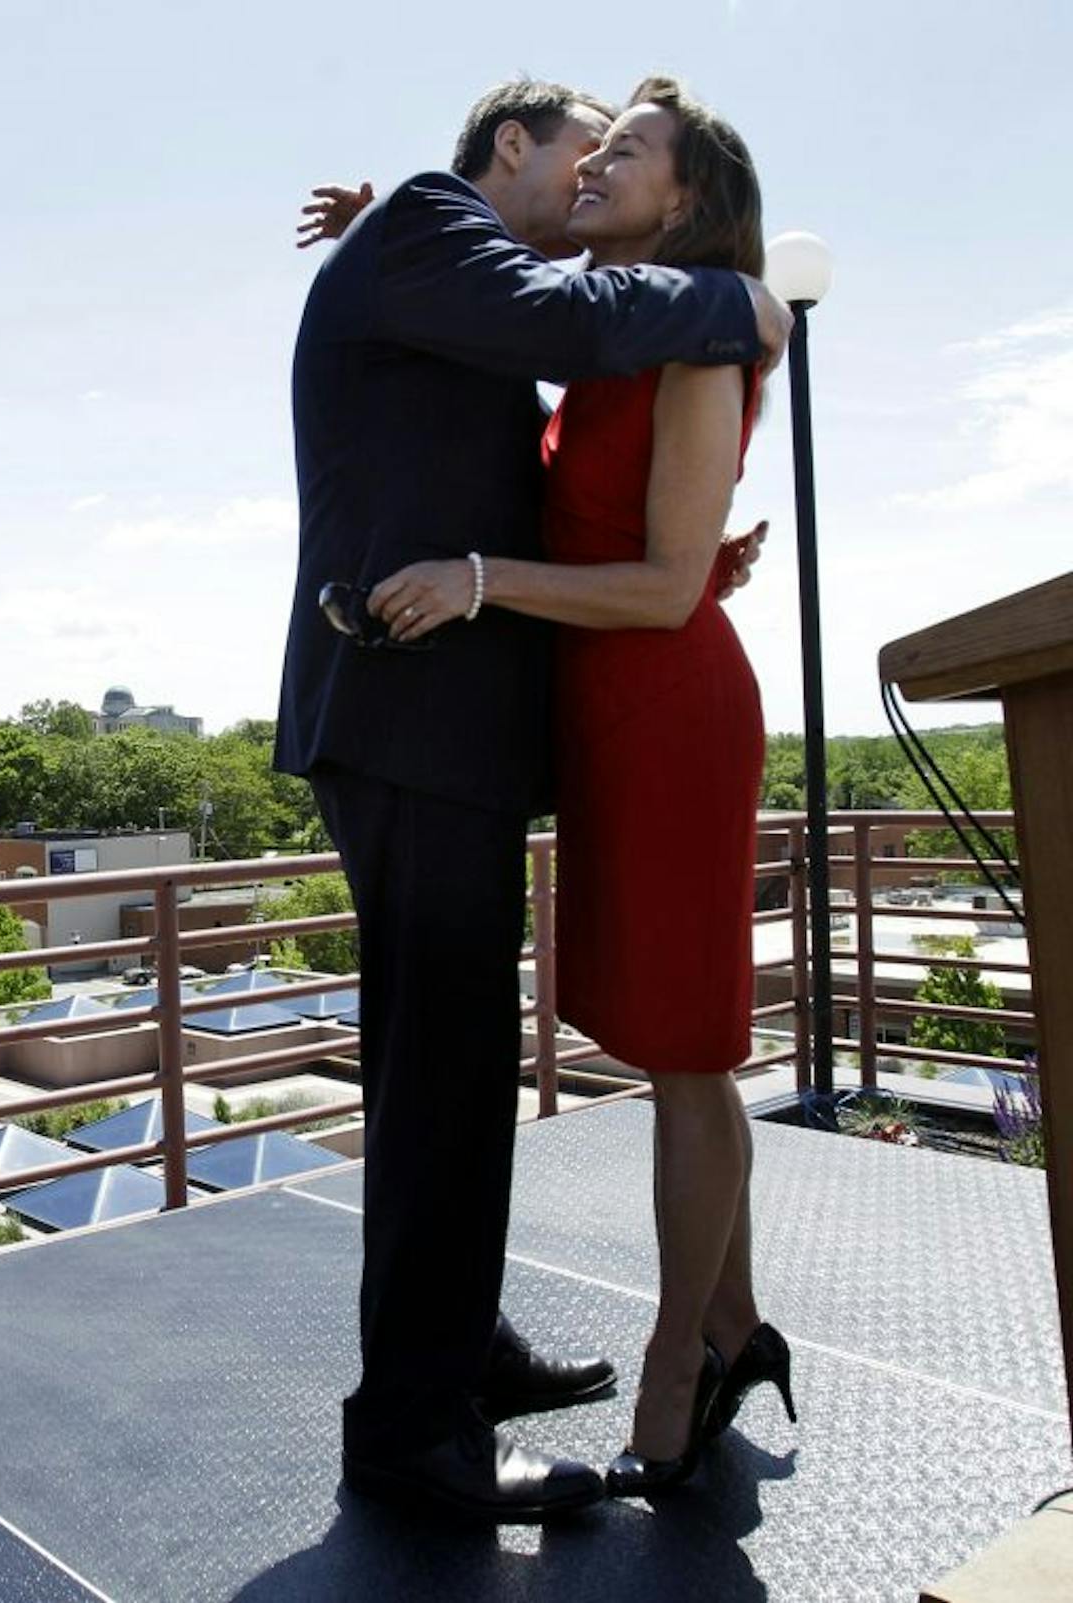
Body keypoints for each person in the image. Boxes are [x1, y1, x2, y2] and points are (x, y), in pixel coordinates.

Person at [273, 78, 790, 1521]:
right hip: (406, 716)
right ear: (514, 149)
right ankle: (415, 1435)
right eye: (583, 150)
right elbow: (572, 316)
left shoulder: (442, 269)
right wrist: (752, 310)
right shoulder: (445, 234)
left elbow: (553, 456)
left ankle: (462, 1353)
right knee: (442, 1079)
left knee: (456, 1071)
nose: (590, 179)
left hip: (465, 732)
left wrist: (672, 562)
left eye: (621, 160)